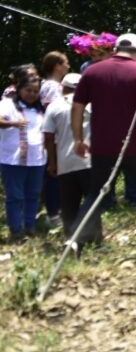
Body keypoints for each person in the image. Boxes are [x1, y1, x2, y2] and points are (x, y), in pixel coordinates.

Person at [72, 33, 136, 253]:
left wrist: (78, 139)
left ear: (115, 49)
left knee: (95, 194)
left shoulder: (92, 72)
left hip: (102, 146)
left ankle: (76, 241)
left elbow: (77, 107)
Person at [42, 73, 94, 239]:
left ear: (63, 88)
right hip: (89, 161)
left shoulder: (54, 106)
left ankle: (71, 238)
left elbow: (48, 136)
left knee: (69, 203)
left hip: (65, 162)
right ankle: (94, 237)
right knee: (92, 201)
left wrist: (52, 162)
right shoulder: (92, 104)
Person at [0, 76, 46, 241]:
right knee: (15, 196)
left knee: (33, 194)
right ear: (19, 89)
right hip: (13, 160)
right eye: (28, 90)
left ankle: (30, 226)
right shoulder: (8, 104)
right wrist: (13, 123)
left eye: (35, 91)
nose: (32, 94)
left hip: (37, 159)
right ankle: (16, 230)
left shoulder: (40, 108)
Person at [39, 50, 71, 224]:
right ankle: (54, 213)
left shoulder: (50, 85)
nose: (68, 66)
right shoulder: (52, 87)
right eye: (65, 62)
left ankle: (55, 209)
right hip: (55, 137)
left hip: (55, 136)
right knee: (54, 173)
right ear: (57, 66)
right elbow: (54, 113)